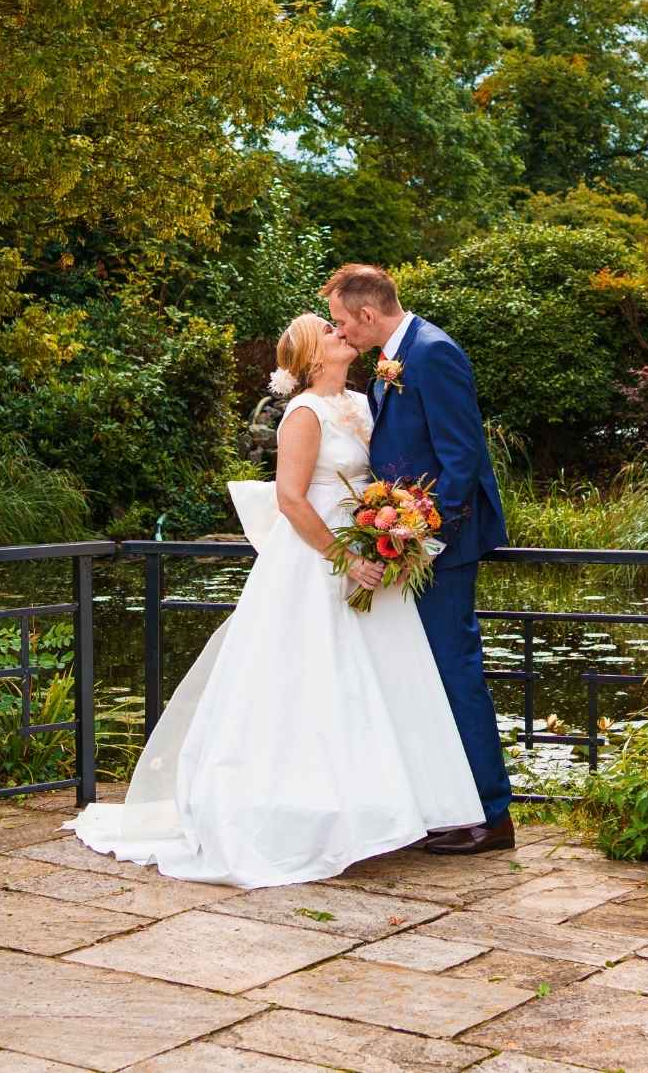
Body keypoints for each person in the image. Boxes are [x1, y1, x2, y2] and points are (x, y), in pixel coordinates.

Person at [66, 313, 484, 887]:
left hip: (371, 553)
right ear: (313, 357)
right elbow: (290, 499)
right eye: (331, 331)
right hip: (318, 562)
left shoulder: (366, 403)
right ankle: (301, 811)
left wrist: (395, 529)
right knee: (308, 681)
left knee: (379, 682)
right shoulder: (303, 414)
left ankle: (382, 807)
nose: (344, 334)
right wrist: (344, 556)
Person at [323, 263, 515, 854]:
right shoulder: (392, 359)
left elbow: (462, 460)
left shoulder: (434, 353)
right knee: (419, 673)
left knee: (455, 672)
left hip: (441, 547)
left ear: (367, 315)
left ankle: (491, 814)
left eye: (339, 321)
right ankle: (438, 804)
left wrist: (422, 539)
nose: (339, 333)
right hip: (406, 537)